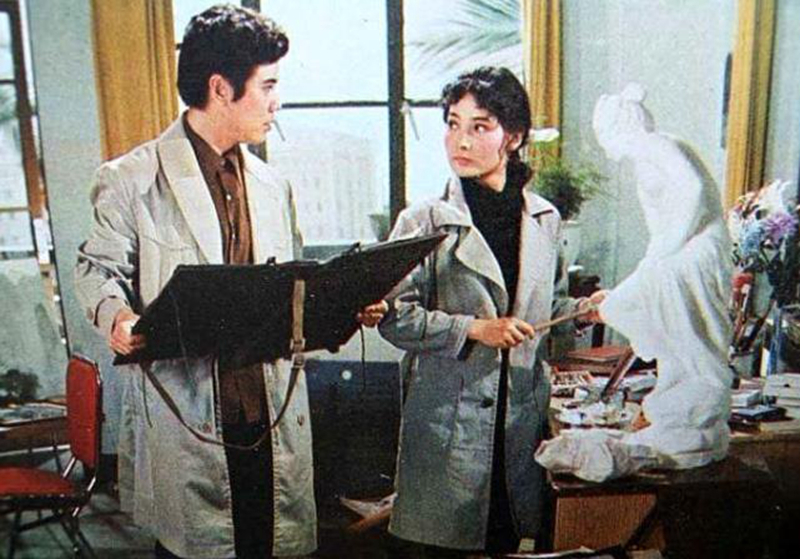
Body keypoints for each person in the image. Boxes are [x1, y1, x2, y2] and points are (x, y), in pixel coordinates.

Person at [74, 5, 384, 558]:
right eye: (268, 86)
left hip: (268, 411)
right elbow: (98, 269)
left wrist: (344, 305)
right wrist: (116, 317)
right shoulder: (131, 179)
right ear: (221, 88)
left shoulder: (271, 185)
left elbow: (289, 289)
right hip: (187, 415)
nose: (276, 102)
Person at [377, 66, 603, 556]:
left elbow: (545, 313)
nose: (461, 140)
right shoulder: (424, 219)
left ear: (513, 137)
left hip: (518, 422)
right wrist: (475, 328)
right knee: (446, 545)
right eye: (453, 124)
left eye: (480, 127)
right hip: (448, 428)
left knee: (508, 538)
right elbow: (393, 317)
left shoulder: (544, 218)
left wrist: (584, 312)